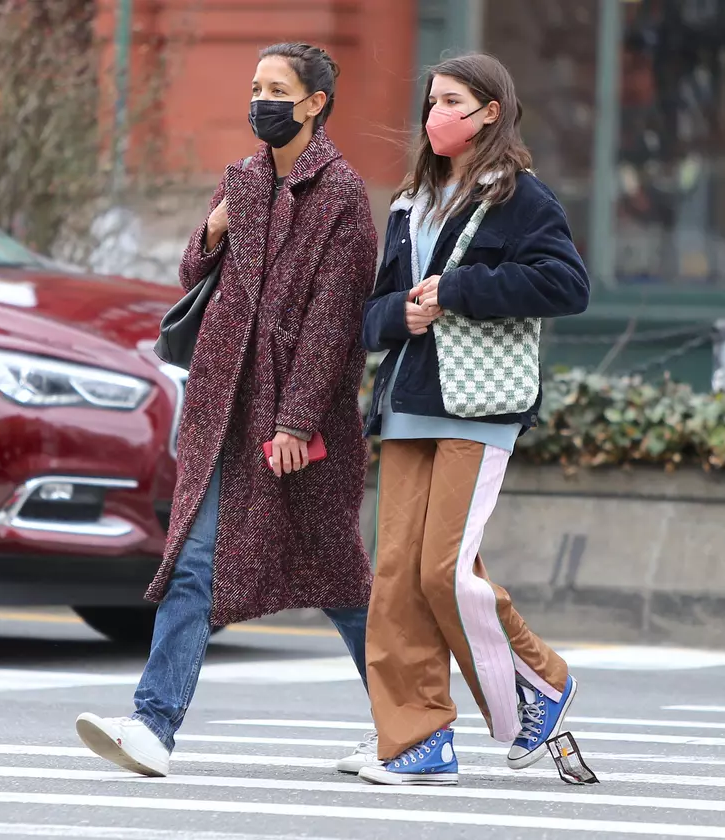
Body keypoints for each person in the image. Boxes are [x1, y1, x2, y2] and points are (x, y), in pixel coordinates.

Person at [75, 42, 378, 777]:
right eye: (254, 87)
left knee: (338, 577)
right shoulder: (239, 180)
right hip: (222, 404)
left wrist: (295, 422)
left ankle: (411, 719)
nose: (260, 101)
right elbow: (195, 278)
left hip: (294, 419)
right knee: (193, 561)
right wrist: (208, 233)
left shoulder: (342, 194)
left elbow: (333, 323)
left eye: (277, 89)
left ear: (313, 103)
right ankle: (154, 726)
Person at [350, 53, 590, 786]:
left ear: (491, 110)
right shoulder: (407, 205)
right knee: (394, 576)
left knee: (444, 571)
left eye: (452, 100)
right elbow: (371, 316)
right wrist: (406, 313)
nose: (435, 115)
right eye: (430, 101)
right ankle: (416, 737)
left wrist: (455, 290)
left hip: (478, 406)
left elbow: (565, 282)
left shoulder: (522, 199)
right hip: (408, 399)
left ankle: (539, 681)